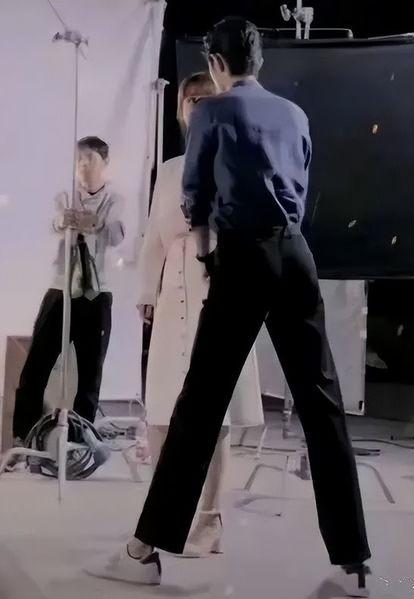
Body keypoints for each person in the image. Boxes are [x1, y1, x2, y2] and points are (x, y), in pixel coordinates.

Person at [88, 17, 371, 596]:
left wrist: (210, 251)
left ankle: (144, 551)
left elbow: (195, 199)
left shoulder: (212, 113)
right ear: (258, 62)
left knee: (199, 405)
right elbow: (301, 186)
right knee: (322, 405)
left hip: (242, 256)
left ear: (216, 64)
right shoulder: (295, 115)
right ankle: (355, 561)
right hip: (296, 255)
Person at [136, 71, 264, 557]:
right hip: (174, 288)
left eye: (205, 98)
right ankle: (162, 515)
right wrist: (147, 291)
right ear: (181, 110)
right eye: (190, 99)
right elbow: (153, 237)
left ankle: (210, 519)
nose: (196, 105)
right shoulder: (170, 170)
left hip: (221, 284)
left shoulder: (238, 159)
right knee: (162, 408)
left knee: (215, 409)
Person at [13, 136, 125, 443]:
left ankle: (80, 441)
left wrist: (95, 222)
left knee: (90, 373)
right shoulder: (64, 195)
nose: (83, 165)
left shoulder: (115, 199)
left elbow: (117, 234)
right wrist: (61, 221)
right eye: (79, 159)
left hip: (97, 292)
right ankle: (23, 437)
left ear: (105, 162)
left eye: (90, 159)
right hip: (61, 288)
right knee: (36, 365)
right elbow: (46, 226)